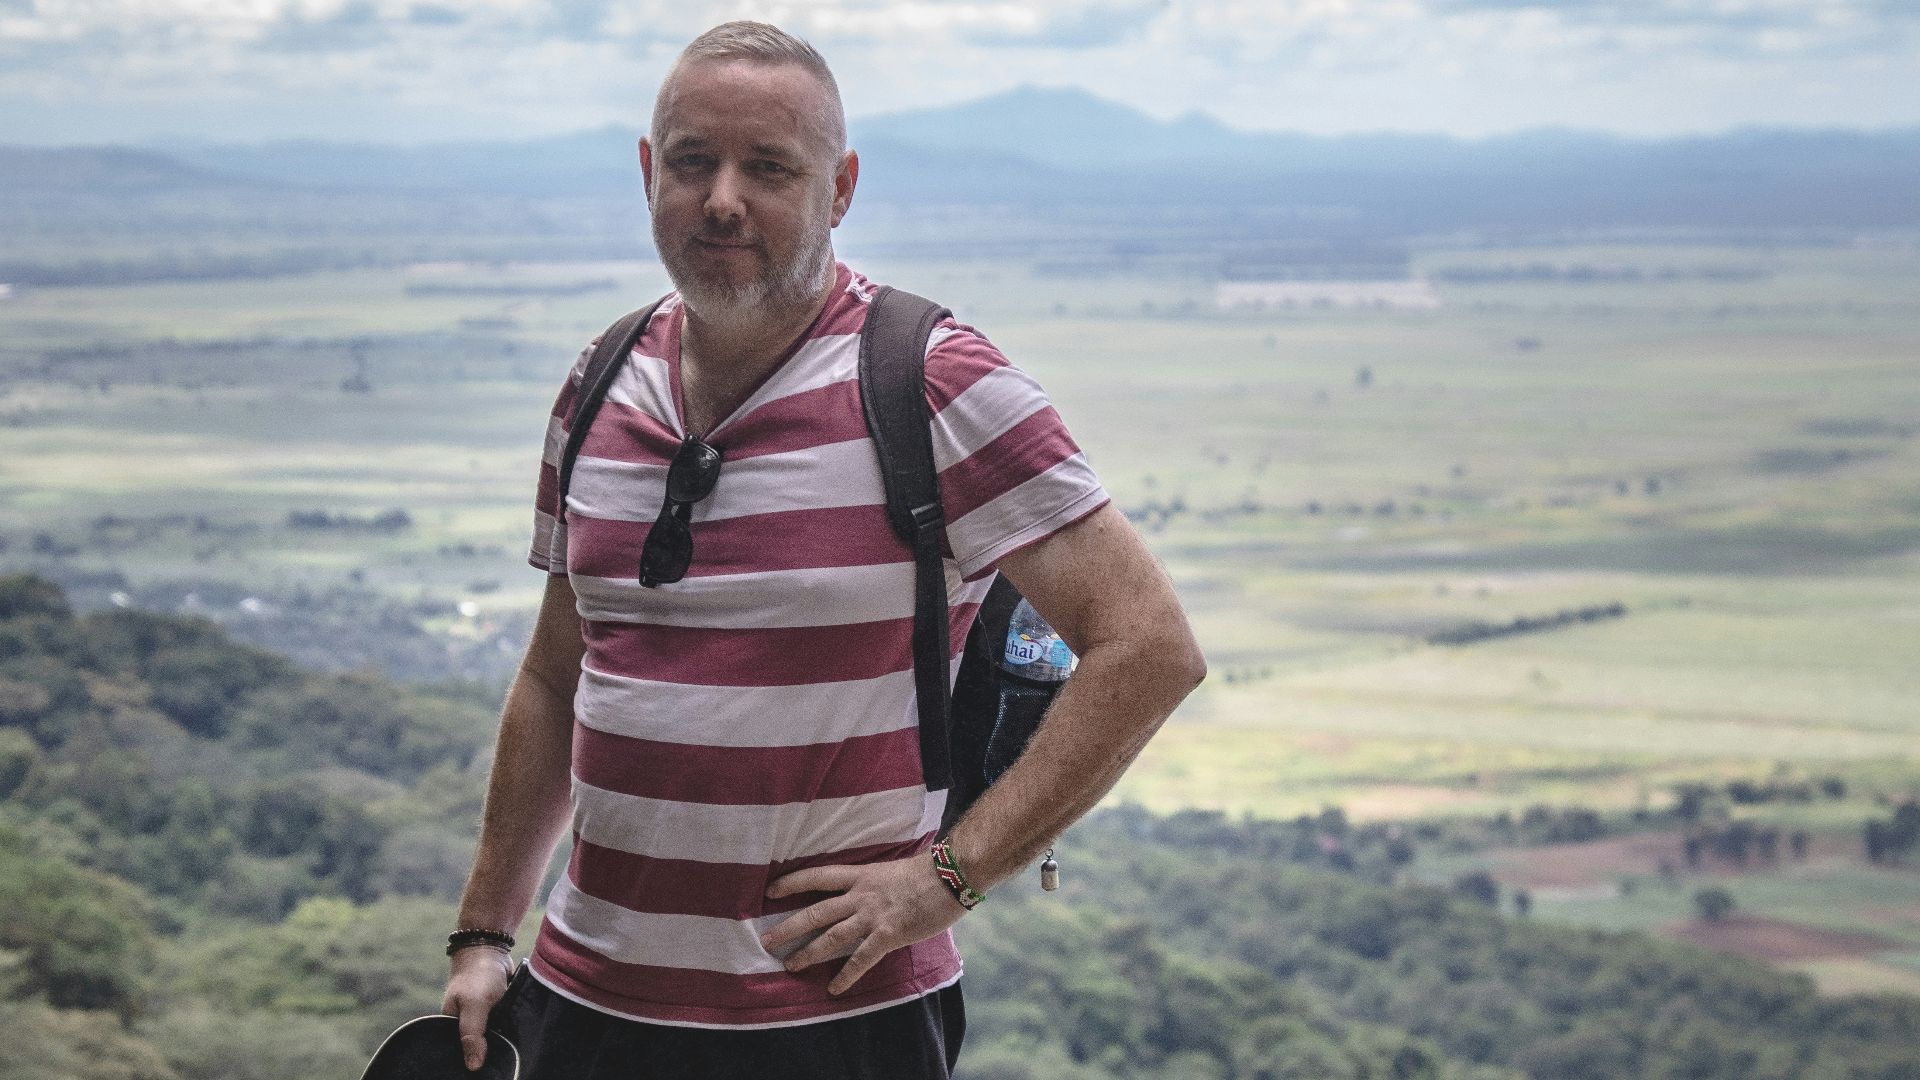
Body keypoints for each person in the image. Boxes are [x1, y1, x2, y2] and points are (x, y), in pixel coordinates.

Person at [440, 20, 1205, 1080]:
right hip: (584, 1003)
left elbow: (1149, 647)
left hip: (835, 1019)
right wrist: (486, 932)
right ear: (646, 171)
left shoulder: (931, 381)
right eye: (694, 161)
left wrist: (946, 881)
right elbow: (557, 677)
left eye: (769, 169)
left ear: (840, 188)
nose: (722, 200)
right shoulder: (600, 380)